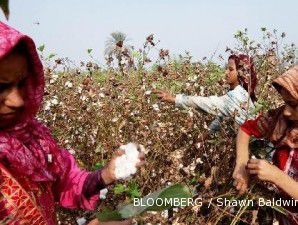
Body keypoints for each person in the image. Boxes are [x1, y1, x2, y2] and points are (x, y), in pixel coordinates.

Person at [0, 22, 144, 225]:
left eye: (22, 82)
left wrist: (105, 175)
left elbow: (66, 182)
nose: (18, 101)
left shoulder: (32, 139)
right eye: (1, 87)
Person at [233, 66, 298, 224]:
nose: (286, 112)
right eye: (285, 103)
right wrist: (241, 165)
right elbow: (246, 129)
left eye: (293, 104)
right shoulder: (281, 120)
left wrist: (276, 176)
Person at [154, 54, 257, 142]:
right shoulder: (242, 94)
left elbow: (207, 103)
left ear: (241, 73)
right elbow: (223, 117)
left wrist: (173, 99)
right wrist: (206, 134)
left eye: (230, 69)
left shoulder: (237, 95)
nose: (226, 73)